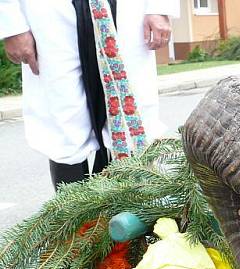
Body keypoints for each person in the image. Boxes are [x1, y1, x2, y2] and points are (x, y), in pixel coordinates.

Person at [0, 0, 180, 187]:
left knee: (132, 114)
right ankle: (74, 212)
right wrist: (12, 24)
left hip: (130, 9)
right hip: (49, 11)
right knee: (63, 117)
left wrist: (160, 7)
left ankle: (136, 208)